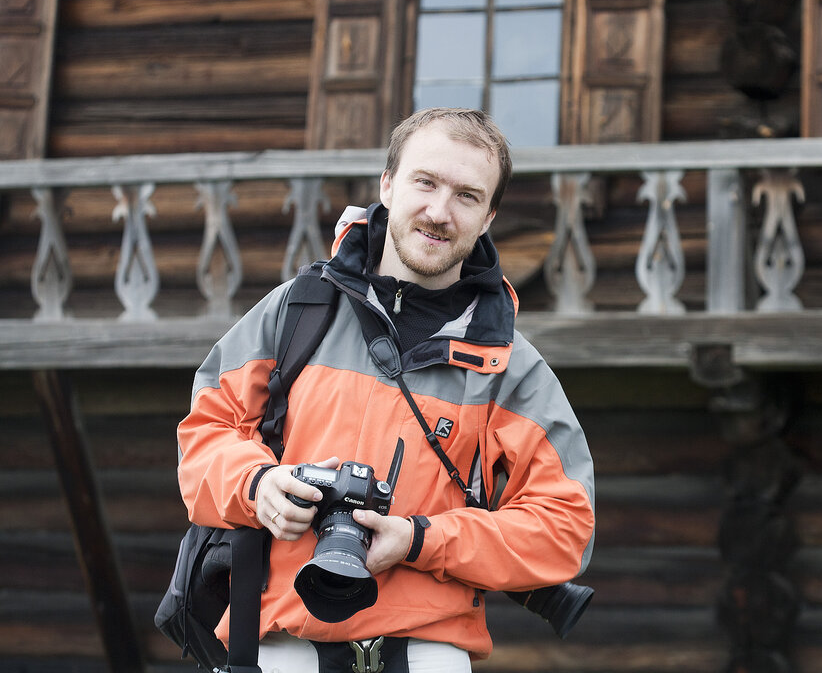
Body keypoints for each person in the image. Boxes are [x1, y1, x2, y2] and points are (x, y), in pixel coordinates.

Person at [177, 107, 596, 673]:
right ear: (389, 183)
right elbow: (204, 436)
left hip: (427, 652)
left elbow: (565, 529)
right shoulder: (296, 313)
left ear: (489, 215)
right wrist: (260, 485)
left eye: (467, 196)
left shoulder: (512, 368)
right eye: (425, 182)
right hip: (274, 645)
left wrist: (421, 539)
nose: (439, 212)